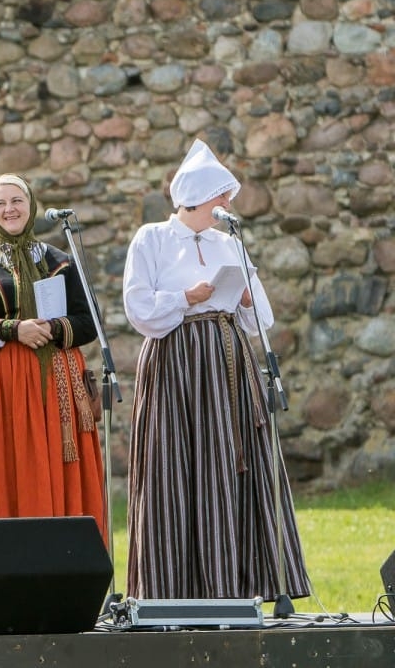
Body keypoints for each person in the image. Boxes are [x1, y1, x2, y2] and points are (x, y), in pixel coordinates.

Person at [122, 139, 310, 600]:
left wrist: (245, 297)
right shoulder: (153, 238)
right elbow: (138, 308)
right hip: (178, 368)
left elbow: (261, 321)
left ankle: (240, 584)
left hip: (229, 364)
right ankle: (174, 590)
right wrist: (187, 298)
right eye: (221, 197)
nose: (227, 205)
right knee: (176, 466)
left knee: (233, 464)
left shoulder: (230, 243)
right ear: (201, 197)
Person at [0, 175, 106, 540]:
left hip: (55, 381)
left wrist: (52, 329)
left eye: (16, 201)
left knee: (52, 466)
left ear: (31, 204)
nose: (9, 210)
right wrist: (12, 330)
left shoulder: (60, 260)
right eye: (0, 204)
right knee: (4, 467)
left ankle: (62, 554)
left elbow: (88, 322)